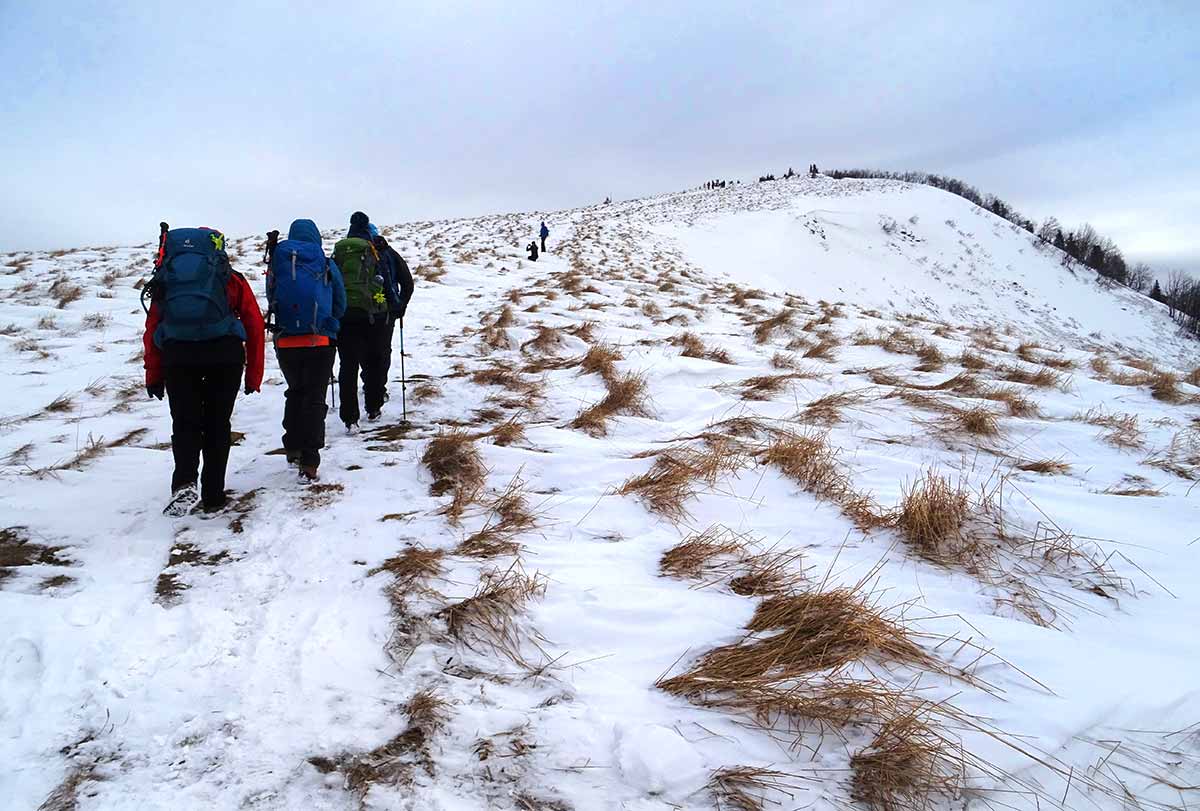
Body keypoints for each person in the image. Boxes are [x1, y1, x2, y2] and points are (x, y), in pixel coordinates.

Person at [143, 225, 264, 516]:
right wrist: (254, 374)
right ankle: (213, 495)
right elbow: (254, 324)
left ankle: (184, 482)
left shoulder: (167, 279)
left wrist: (154, 374)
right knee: (217, 424)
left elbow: (152, 329)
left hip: (179, 356)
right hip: (225, 356)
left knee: (185, 423)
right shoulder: (229, 278)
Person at [266, 219, 346, 481]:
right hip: (319, 341)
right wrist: (330, 324)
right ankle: (310, 461)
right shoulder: (325, 262)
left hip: (286, 341)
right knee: (314, 397)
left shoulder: (278, 262)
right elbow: (340, 301)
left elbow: (271, 297)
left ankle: (292, 446)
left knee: (295, 392)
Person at [333, 211, 389, 430]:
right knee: (373, 361)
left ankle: (349, 418)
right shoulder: (372, 248)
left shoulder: (340, 250)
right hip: (371, 315)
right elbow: (385, 278)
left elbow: (333, 281)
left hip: (345, 316)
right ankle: (373, 407)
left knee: (348, 365)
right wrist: (391, 306)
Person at [368, 224, 414, 391]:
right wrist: (401, 305)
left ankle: (369, 385)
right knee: (382, 350)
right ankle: (377, 390)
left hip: (354, 312)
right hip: (385, 311)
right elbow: (407, 282)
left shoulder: (346, 253)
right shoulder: (387, 251)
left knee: (362, 352)